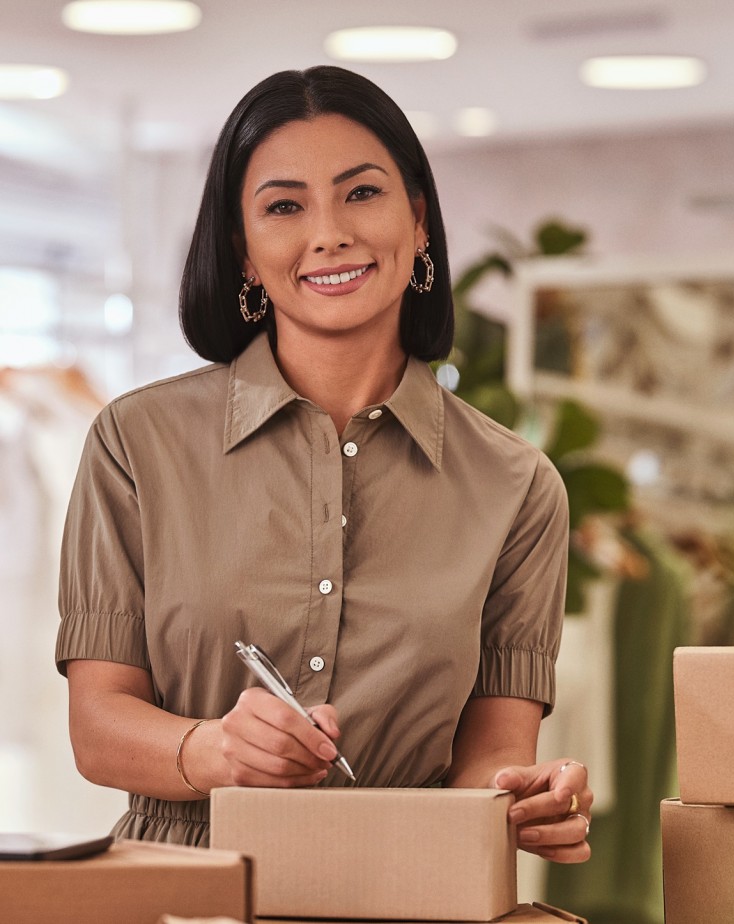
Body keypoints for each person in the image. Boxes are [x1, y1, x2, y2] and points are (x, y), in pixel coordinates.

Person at [55, 65, 592, 862]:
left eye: (362, 193)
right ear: (243, 250)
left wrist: (521, 798)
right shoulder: (135, 442)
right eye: (284, 206)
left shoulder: (517, 485)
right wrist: (216, 750)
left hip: (410, 885)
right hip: (184, 887)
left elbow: (491, 755)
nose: (329, 233)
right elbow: (98, 728)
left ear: (418, 220)